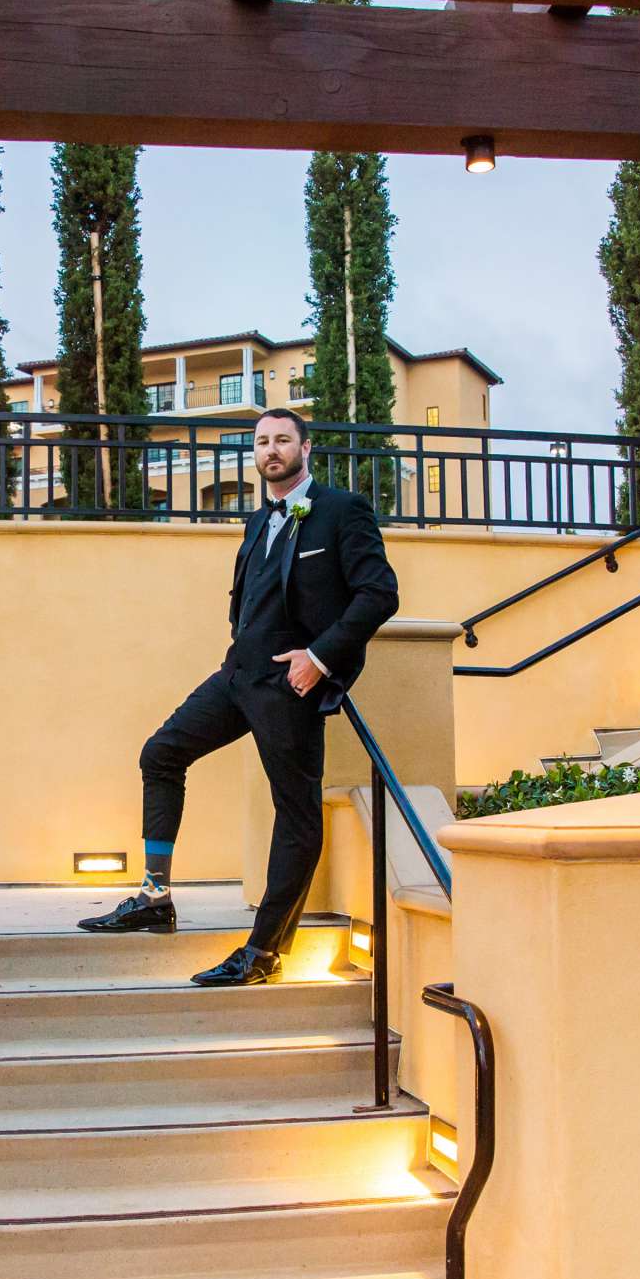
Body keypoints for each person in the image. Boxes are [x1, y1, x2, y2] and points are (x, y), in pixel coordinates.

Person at [79, 408, 399, 984]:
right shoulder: (255, 521)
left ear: (305, 447)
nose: (271, 449)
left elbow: (379, 594)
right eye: (261, 442)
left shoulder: (341, 511)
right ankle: (155, 898)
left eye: (282, 439)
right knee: (161, 753)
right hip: (238, 674)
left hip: (290, 682)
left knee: (295, 814)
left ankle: (265, 951)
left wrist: (319, 659)